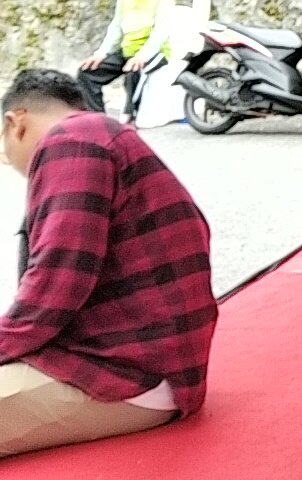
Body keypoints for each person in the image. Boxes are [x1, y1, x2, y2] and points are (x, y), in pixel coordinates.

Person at [0, 69, 216, 457]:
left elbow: (55, 284)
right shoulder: (101, 134)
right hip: (151, 365)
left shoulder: (71, 141)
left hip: (124, 376)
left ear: (16, 123)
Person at [77, 0, 175, 116]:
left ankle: (131, 117)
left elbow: (161, 33)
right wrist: (101, 53)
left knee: (133, 75)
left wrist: (142, 56)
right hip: (127, 52)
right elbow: (116, 27)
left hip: (154, 54)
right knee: (88, 72)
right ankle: (97, 117)